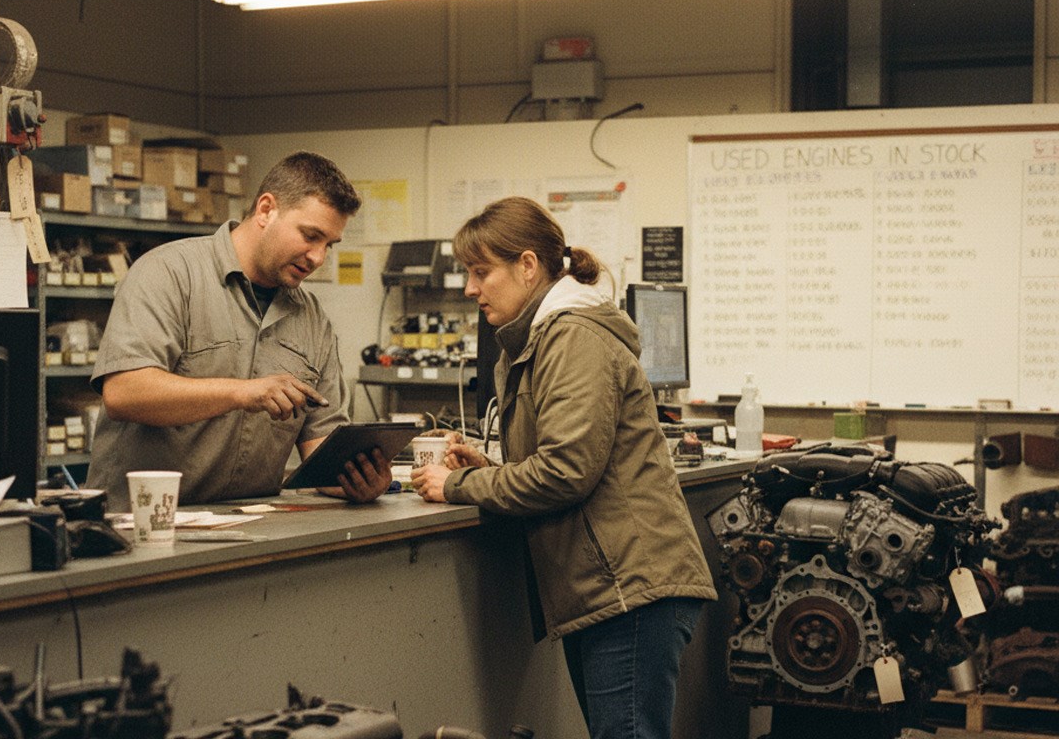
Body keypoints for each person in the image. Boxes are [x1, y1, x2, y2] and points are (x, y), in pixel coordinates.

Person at [411, 197, 717, 739]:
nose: (470, 289)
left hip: (630, 588)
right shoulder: (541, 337)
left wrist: (460, 484)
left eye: (481, 272)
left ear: (527, 266)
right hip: (615, 588)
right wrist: (486, 465)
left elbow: (566, 471)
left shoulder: (572, 335)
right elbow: (564, 455)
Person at [87, 151, 391, 511]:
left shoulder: (311, 319)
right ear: (266, 210)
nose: (318, 258)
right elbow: (124, 393)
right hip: (143, 526)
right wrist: (242, 393)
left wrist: (359, 479)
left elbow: (320, 446)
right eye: (310, 236)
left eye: (329, 244)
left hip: (246, 534)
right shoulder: (168, 274)